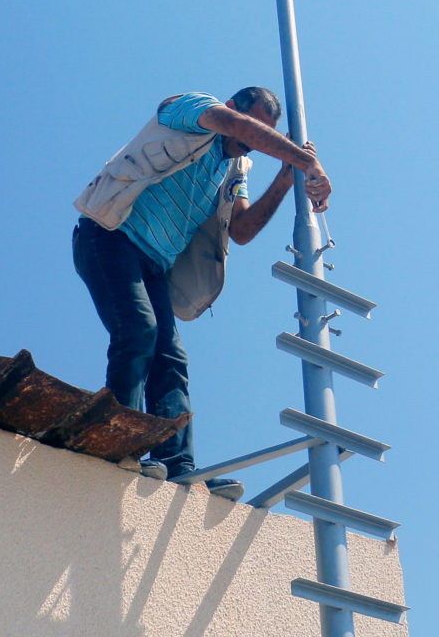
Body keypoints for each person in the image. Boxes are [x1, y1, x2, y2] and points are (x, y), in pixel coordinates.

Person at [72, 88, 331, 501]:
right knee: (139, 330)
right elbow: (233, 126)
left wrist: (286, 176)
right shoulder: (192, 108)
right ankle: (118, 442)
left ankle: (178, 467)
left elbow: (242, 230)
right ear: (233, 108)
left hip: (154, 263)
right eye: (254, 130)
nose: (250, 142)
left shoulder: (237, 169)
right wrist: (307, 160)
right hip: (109, 237)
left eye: (263, 136)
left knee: (171, 357)